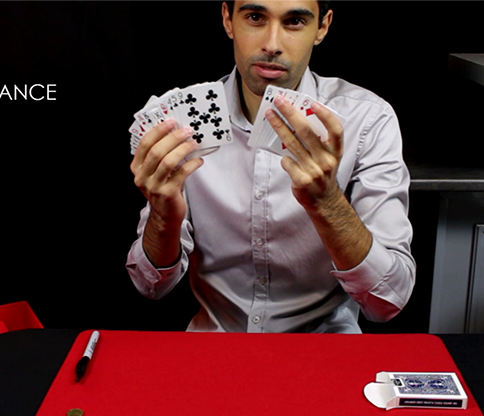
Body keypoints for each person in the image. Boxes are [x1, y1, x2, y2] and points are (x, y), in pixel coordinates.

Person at [126, 0, 415, 333]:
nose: (272, 44)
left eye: (294, 22)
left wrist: (327, 202)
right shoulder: (178, 121)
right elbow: (150, 286)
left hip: (326, 349)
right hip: (214, 348)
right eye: (255, 17)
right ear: (228, 20)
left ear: (322, 27)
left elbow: (388, 300)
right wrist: (163, 216)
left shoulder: (367, 119)